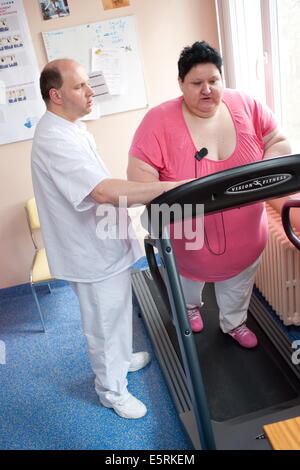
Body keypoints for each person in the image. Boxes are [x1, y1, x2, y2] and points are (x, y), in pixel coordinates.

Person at [31, 58, 186, 420]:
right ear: (55, 95)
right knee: (102, 323)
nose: (90, 91)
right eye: (80, 86)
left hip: (102, 245)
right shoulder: (55, 138)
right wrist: (167, 188)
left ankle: (121, 359)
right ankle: (111, 391)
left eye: (89, 83)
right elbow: (101, 192)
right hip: (88, 254)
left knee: (116, 313)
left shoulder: (71, 127)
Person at [127, 41, 292, 348]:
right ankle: (190, 307)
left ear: (222, 79)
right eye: (197, 83)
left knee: (238, 286)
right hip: (188, 242)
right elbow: (138, 177)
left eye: (213, 81)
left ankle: (234, 323)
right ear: (180, 84)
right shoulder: (158, 121)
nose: (207, 90)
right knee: (189, 283)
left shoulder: (245, 104)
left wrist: (260, 173)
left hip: (246, 237)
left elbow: (279, 140)